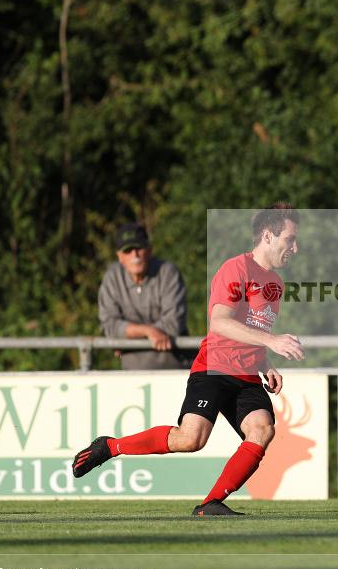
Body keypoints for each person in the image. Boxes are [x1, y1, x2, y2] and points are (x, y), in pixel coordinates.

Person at [74, 204, 305, 516]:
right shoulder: (235, 269)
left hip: (248, 374)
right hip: (215, 367)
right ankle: (110, 447)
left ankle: (211, 504)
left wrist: (266, 364)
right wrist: (272, 341)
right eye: (290, 239)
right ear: (267, 235)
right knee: (190, 439)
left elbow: (254, 329)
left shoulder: (275, 284)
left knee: (262, 430)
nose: (295, 247)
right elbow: (220, 322)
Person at [98, 223, 192, 369]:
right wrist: (148, 332)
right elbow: (109, 326)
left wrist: (126, 337)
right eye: (128, 250)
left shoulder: (168, 273)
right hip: (132, 372)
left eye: (139, 248)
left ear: (149, 250)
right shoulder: (112, 279)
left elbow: (173, 323)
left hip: (176, 368)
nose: (134, 255)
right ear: (120, 256)